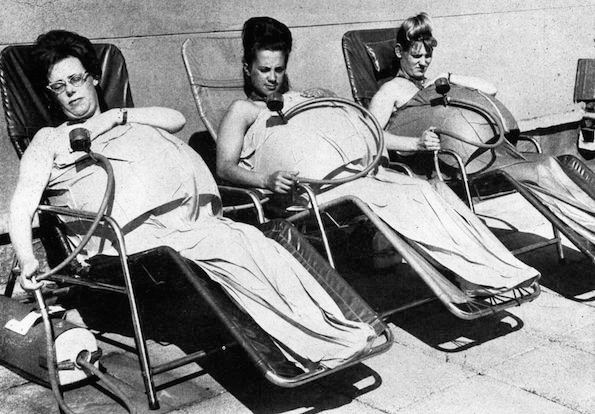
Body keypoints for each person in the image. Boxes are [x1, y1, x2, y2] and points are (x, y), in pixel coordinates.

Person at [8, 29, 379, 370]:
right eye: (59, 86)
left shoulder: (126, 119)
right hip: (136, 241)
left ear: (93, 78)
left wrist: (114, 118)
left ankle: (339, 326)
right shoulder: (49, 140)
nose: (70, 92)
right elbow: (22, 204)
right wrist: (26, 258)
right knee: (233, 253)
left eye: (76, 79)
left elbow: (175, 119)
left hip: (189, 223)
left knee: (261, 245)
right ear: (51, 94)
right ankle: (321, 347)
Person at [217, 17, 539, 294]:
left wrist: (321, 99)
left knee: (426, 190)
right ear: (247, 68)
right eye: (264, 70)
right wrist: (266, 180)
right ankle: (477, 277)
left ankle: (498, 268)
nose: (273, 78)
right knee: (398, 203)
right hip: (315, 189)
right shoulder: (242, 110)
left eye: (279, 69)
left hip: (357, 172)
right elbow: (225, 167)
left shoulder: (299, 98)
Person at [369, 12, 595, 247]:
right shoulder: (391, 91)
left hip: (482, 152)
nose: (424, 62)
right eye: (416, 56)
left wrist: (448, 76)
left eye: (428, 56)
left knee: (551, 164)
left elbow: (490, 89)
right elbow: (372, 135)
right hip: (450, 164)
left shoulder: (434, 83)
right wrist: (416, 143)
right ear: (399, 52)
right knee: (542, 171)